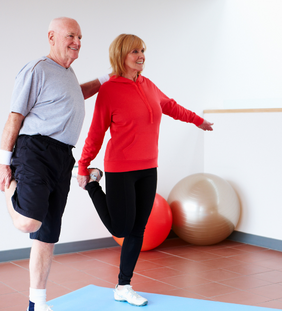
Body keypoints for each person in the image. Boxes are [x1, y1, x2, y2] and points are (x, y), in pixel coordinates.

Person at [0, 17, 108, 311]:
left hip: (63, 156)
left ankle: (36, 303)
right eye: (71, 36)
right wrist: (4, 162)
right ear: (51, 37)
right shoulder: (37, 69)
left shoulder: (67, 73)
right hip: (35, 149)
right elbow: (14, 117)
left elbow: (79, 92)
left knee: (47, 235)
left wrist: (107, 78)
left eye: (80, 37)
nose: (77, 42)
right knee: (28, 221)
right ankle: (3, 182)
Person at [76, 34, 213, 307]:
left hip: (149, 167)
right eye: (135, 51)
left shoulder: (148, 85)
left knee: (138, 229)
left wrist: (197, 120)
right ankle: (93, 183)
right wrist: (83, 165)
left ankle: (123, 285)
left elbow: (170, 106)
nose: (141, 56)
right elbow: (96, 132)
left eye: (143, 51)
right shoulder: (109, 90)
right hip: (120, 168)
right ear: (121, 55)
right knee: (120, 227)